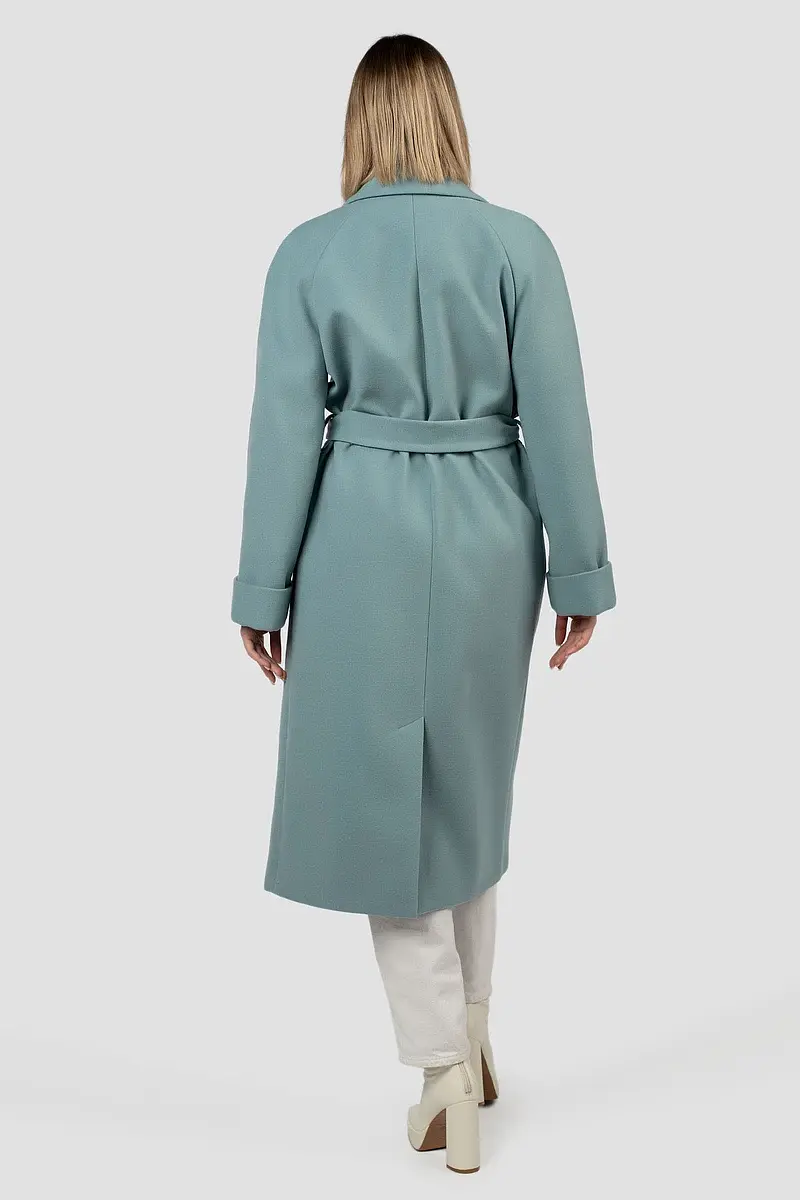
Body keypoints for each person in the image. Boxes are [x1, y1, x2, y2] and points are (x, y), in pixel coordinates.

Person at [232, 34, 615, 1173]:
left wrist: (262, 586)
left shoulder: (309, 252)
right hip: (494, 531)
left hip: (358, 535)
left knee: (380, 814)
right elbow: (559, 416)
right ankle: (475, 1039)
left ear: (359, 121)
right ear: (449, 116)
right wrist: (580, 571)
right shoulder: (518, 245)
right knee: (464, 796)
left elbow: (280, 435)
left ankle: (442, 1072)